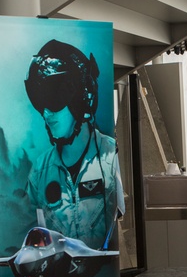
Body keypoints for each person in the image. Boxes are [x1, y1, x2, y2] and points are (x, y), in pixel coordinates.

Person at [24, 39, 124, 249]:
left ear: (80, 97)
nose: (46, 113)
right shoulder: (39, 173)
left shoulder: (109, 156)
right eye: (40, 103)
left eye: (54, 99)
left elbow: (118, 225)